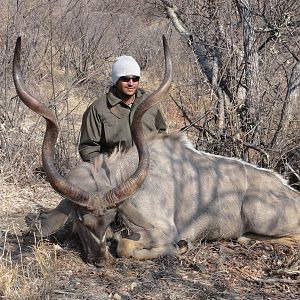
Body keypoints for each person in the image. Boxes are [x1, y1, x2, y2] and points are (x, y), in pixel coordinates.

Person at [78, 55, 167, 162]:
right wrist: (106, 168)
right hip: (115, 172)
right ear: (116, 80)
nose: (131, 83)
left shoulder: (150, 103)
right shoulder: (98, 108)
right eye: (125, 79)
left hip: (151, 166)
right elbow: (88, 148)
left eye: (135, 79)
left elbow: (162, 134)